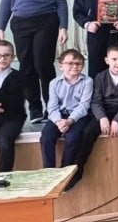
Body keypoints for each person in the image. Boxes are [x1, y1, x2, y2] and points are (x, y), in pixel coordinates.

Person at [0, 0, 69, 123]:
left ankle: (52, 108)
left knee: (43, 64)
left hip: (46, 21)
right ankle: (35, 108)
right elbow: (6, 2)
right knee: (26, 65)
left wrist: (63, 26)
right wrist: (0, 28)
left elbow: (61, 2)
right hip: (20, 23)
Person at [77, 44, 118, 189]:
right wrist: (102, 117)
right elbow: (95, 101)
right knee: (87, 132)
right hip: (104, 112)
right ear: (107, 60)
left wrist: (117, 120)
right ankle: (77, 171)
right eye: (114, 59)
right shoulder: (100, 77)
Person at [40, 49, 93, 190]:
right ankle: (49, 172)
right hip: (59, 116)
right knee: (46, 136)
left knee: (73, 137)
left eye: (78, 64)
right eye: (70, 63)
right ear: (60, 65)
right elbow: (52, 106)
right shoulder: (54, 83)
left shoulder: (87, 81)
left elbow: (84, 106)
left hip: (77, 116)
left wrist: (69, 121)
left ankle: (65, 172)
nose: (74, 66)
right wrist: (58, 122)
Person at [0, 39, 26, 172]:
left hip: (13, 118)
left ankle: (3, 177)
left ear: (12, 57)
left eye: (6, 55)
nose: (2, 59)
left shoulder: (19, 77)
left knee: (4, 141)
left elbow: (15, 101)